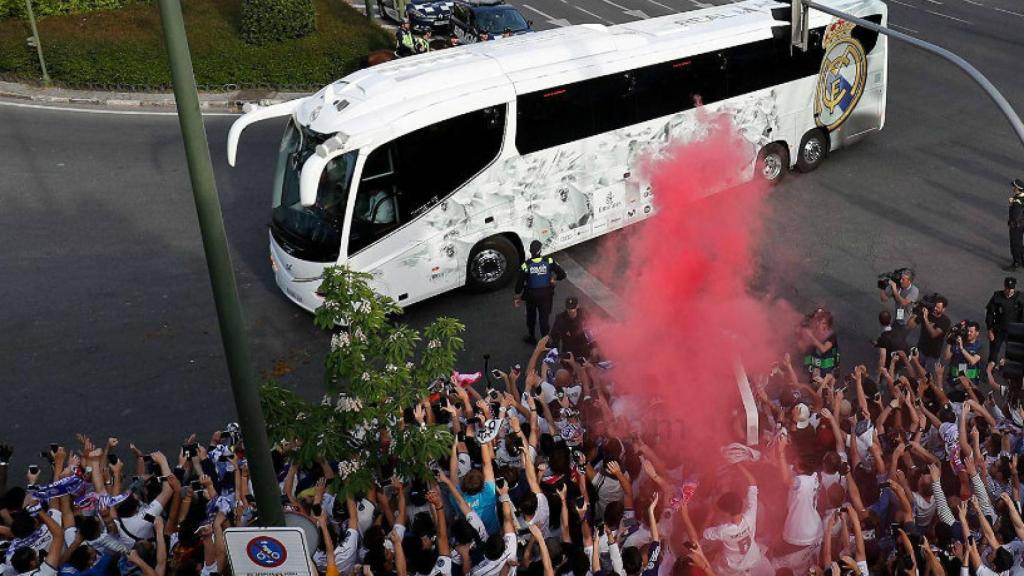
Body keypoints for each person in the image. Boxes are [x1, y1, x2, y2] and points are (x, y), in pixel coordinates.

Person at [513, 240, 566, 345]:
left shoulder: (525, 265)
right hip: (546, 295)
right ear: (540, 250)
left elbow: (519, 284)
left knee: (531, 318)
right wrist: (554, 279)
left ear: (530, 251)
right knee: (544, 319)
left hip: (531, 296)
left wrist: (517, 296)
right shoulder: (549, 261)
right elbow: (562, 274)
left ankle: (532, 338)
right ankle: (545, 343)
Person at [908, 292, 951, 371]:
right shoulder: (926, 313)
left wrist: (925, 318)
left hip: (933, 356)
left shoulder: (945, 321)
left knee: (927, 378)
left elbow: (933, 334)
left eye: (938, 307)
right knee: (916, 372)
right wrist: (915, 313)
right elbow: (910, 326)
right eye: (935, 306)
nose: (935, 309)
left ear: (943, 309)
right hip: (921, 350)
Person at [986, 276, 1023, 366]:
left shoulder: (1020, 298)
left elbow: (1022, 316)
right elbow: (990, 313)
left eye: (1012, 288)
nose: (1010, 291)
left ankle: (1011, 370)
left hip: (1014, 331)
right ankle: (990, 372)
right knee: (993, 352)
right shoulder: (997, 296)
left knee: (1014, 352)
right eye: (1007, 288)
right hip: (998, 330)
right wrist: (990, 330)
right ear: (1004, 286)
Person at [944, 320, 984, 394]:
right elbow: (947, 357)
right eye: (968, 331)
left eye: (971, 331)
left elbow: (973, 361)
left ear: (977, 333)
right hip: (953, 381)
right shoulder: (959, 341)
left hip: (969, 384)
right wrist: (950, 341)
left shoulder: (980, 346)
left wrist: (962, 348)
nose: (968, 333)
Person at [1006, 178, 1024, 271]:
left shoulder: (1017, 202)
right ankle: (1022, 259)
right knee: (1020, 242)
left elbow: (1015, 215)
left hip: (1017, 225)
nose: (1012, 187)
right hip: (1022, 224)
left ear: (1017, 188)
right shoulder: (1021, 197)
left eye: (1014, 186)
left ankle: (1016, 262)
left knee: (1015, 243)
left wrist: (1011, 204)